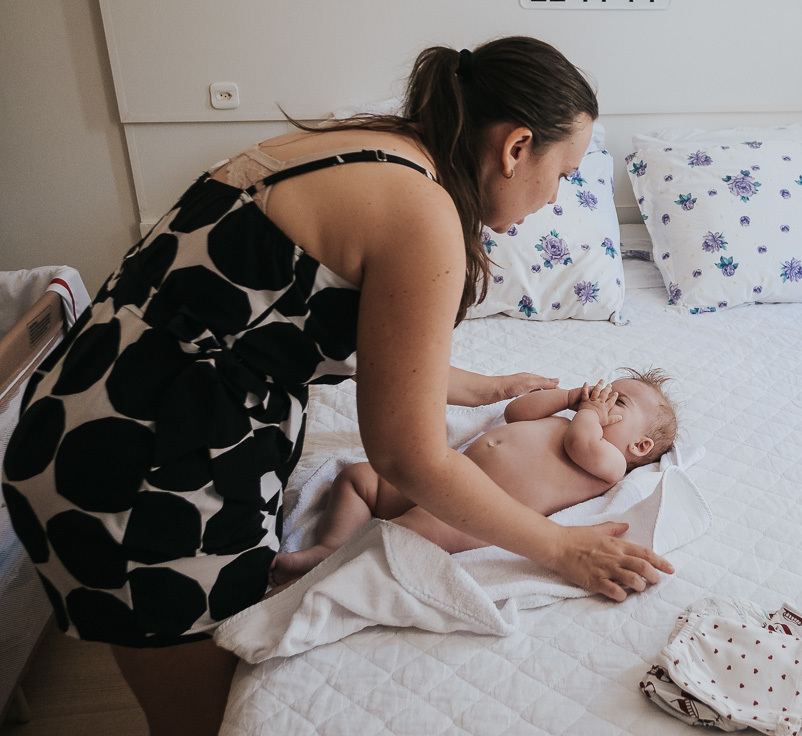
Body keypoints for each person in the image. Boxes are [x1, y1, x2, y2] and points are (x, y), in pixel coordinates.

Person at [0, 36, 673, 736]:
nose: (556, 196)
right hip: (148, 469)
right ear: (515, 147)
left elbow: (270, 315)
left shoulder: (368, 148)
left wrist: (480, 389)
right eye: (562, 173)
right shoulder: (425, 215)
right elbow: (409, 459)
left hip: (80, 416)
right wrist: (563, 548)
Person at [270, 370, 678, 585]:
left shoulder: (610, 461)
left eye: (617, 401)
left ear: (640, 447)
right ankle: (331, 546)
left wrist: (588, 413)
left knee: (396, 535)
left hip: (477, 513)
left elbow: (579, 445)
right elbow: (516, 413)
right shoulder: (571, 418)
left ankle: (316, 579)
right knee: (357, 479)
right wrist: (571, 399)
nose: (601, 399)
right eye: (604, 390)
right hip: (444, 479)